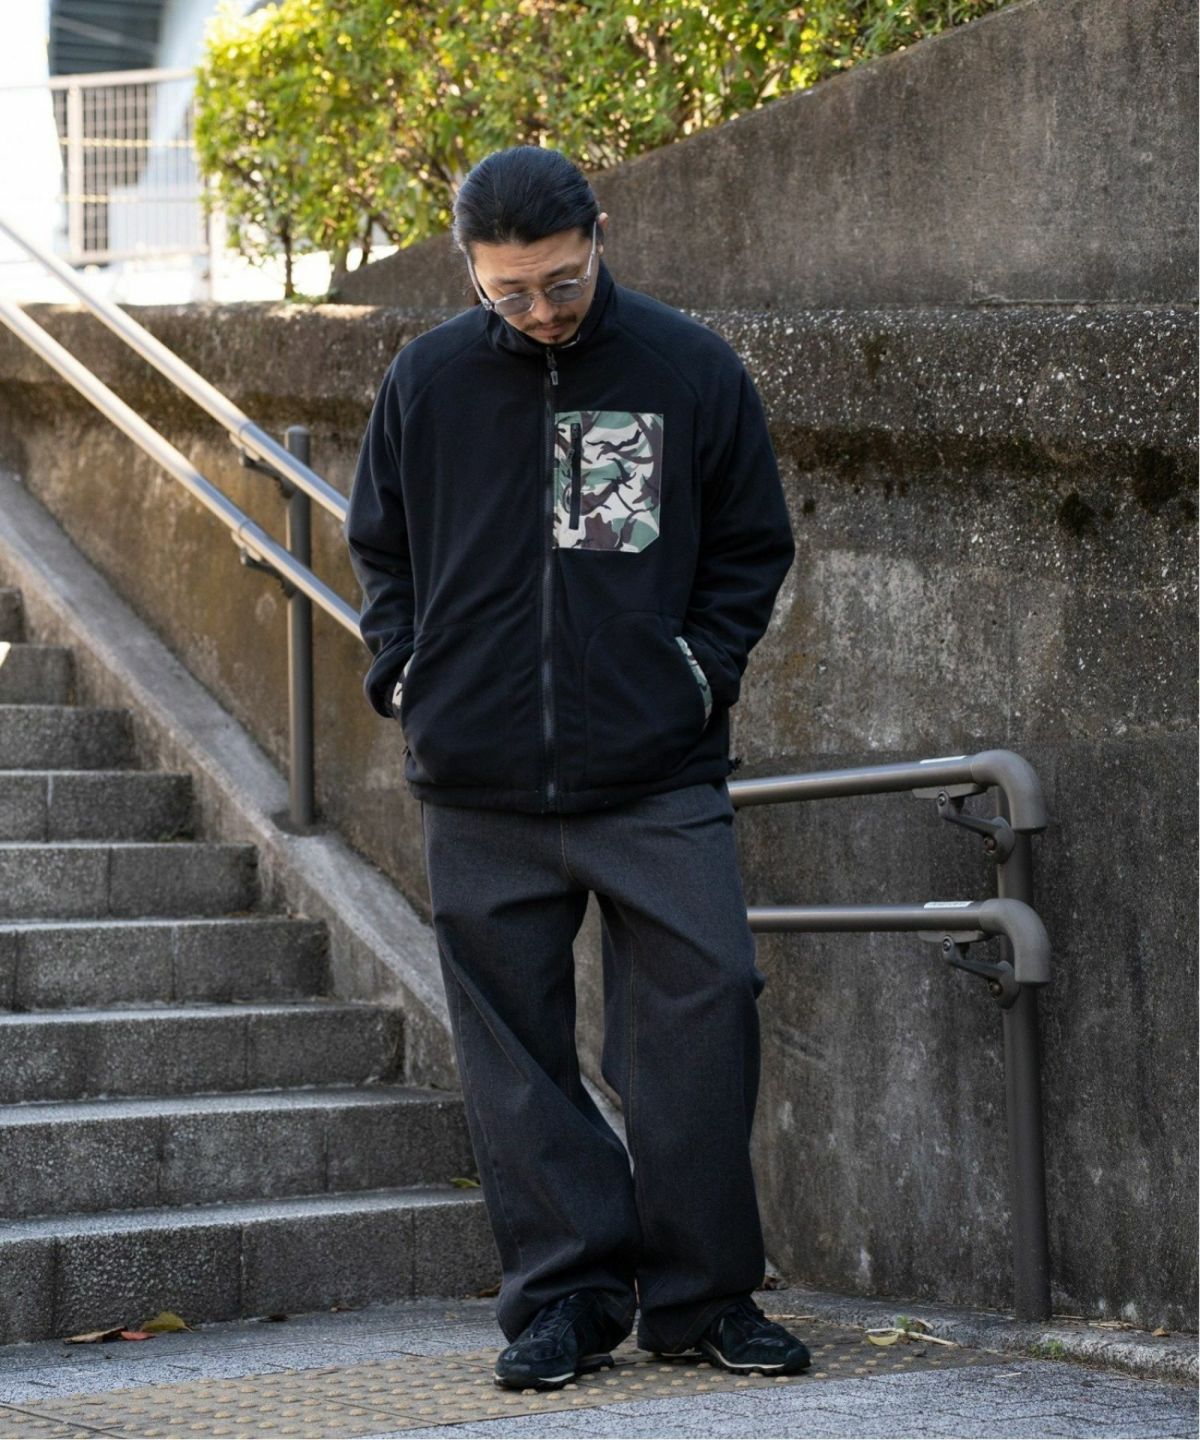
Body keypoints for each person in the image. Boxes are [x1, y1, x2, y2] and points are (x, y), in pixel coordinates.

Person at [343, 145, 808, 1391]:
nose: (541, 311)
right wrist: (406, 672)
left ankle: (703, 1299)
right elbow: (380, 545)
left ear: (598, 235)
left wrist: (697, 675)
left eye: (560, 280)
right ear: (470, 270)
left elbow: (751, 546)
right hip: (479, 780)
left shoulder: (686, 368)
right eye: (509, 292)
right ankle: (565, 1298)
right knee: (515, 1056)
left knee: (708, 1006)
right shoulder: (430, 379)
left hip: (655, 775)